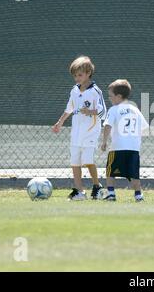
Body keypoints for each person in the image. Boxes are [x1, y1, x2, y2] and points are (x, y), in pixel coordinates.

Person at [52, 56, 107, 201]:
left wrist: (90, 112)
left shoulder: (95, 91)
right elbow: (69, 108)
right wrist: (60, 122)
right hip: (76, 133)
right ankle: (79, 191)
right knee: (75, 162)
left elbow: (103, 112)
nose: (77, 78)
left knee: (88, 160)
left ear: (88, 73)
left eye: (80, 75)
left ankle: (97, 186)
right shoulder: (74, 90)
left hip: (90, 133)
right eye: (75, 75)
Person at [100, 79, 149, 202]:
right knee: (134, 174)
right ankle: (138, 195)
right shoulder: (135, 109)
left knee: (110, 172)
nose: (110, 99)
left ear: (119, 96)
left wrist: (104, 141)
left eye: (111, 96)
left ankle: (111, 193)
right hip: (133, 148)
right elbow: (144, 127)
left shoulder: (114, 110)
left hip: (118, 147)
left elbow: (107, 126)